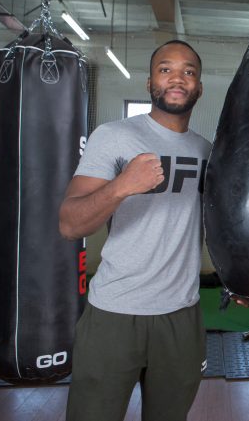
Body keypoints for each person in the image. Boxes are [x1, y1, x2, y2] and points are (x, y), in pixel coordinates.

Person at [59, 40, 211, 421]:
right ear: (149, 83)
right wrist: (123, 185)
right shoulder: (113, 136)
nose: (178, 78)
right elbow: (69, 223)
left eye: (188, 71)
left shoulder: (209, 151)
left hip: (182, 315)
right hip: (115, 313)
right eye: (166, 69)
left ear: (199, 87)